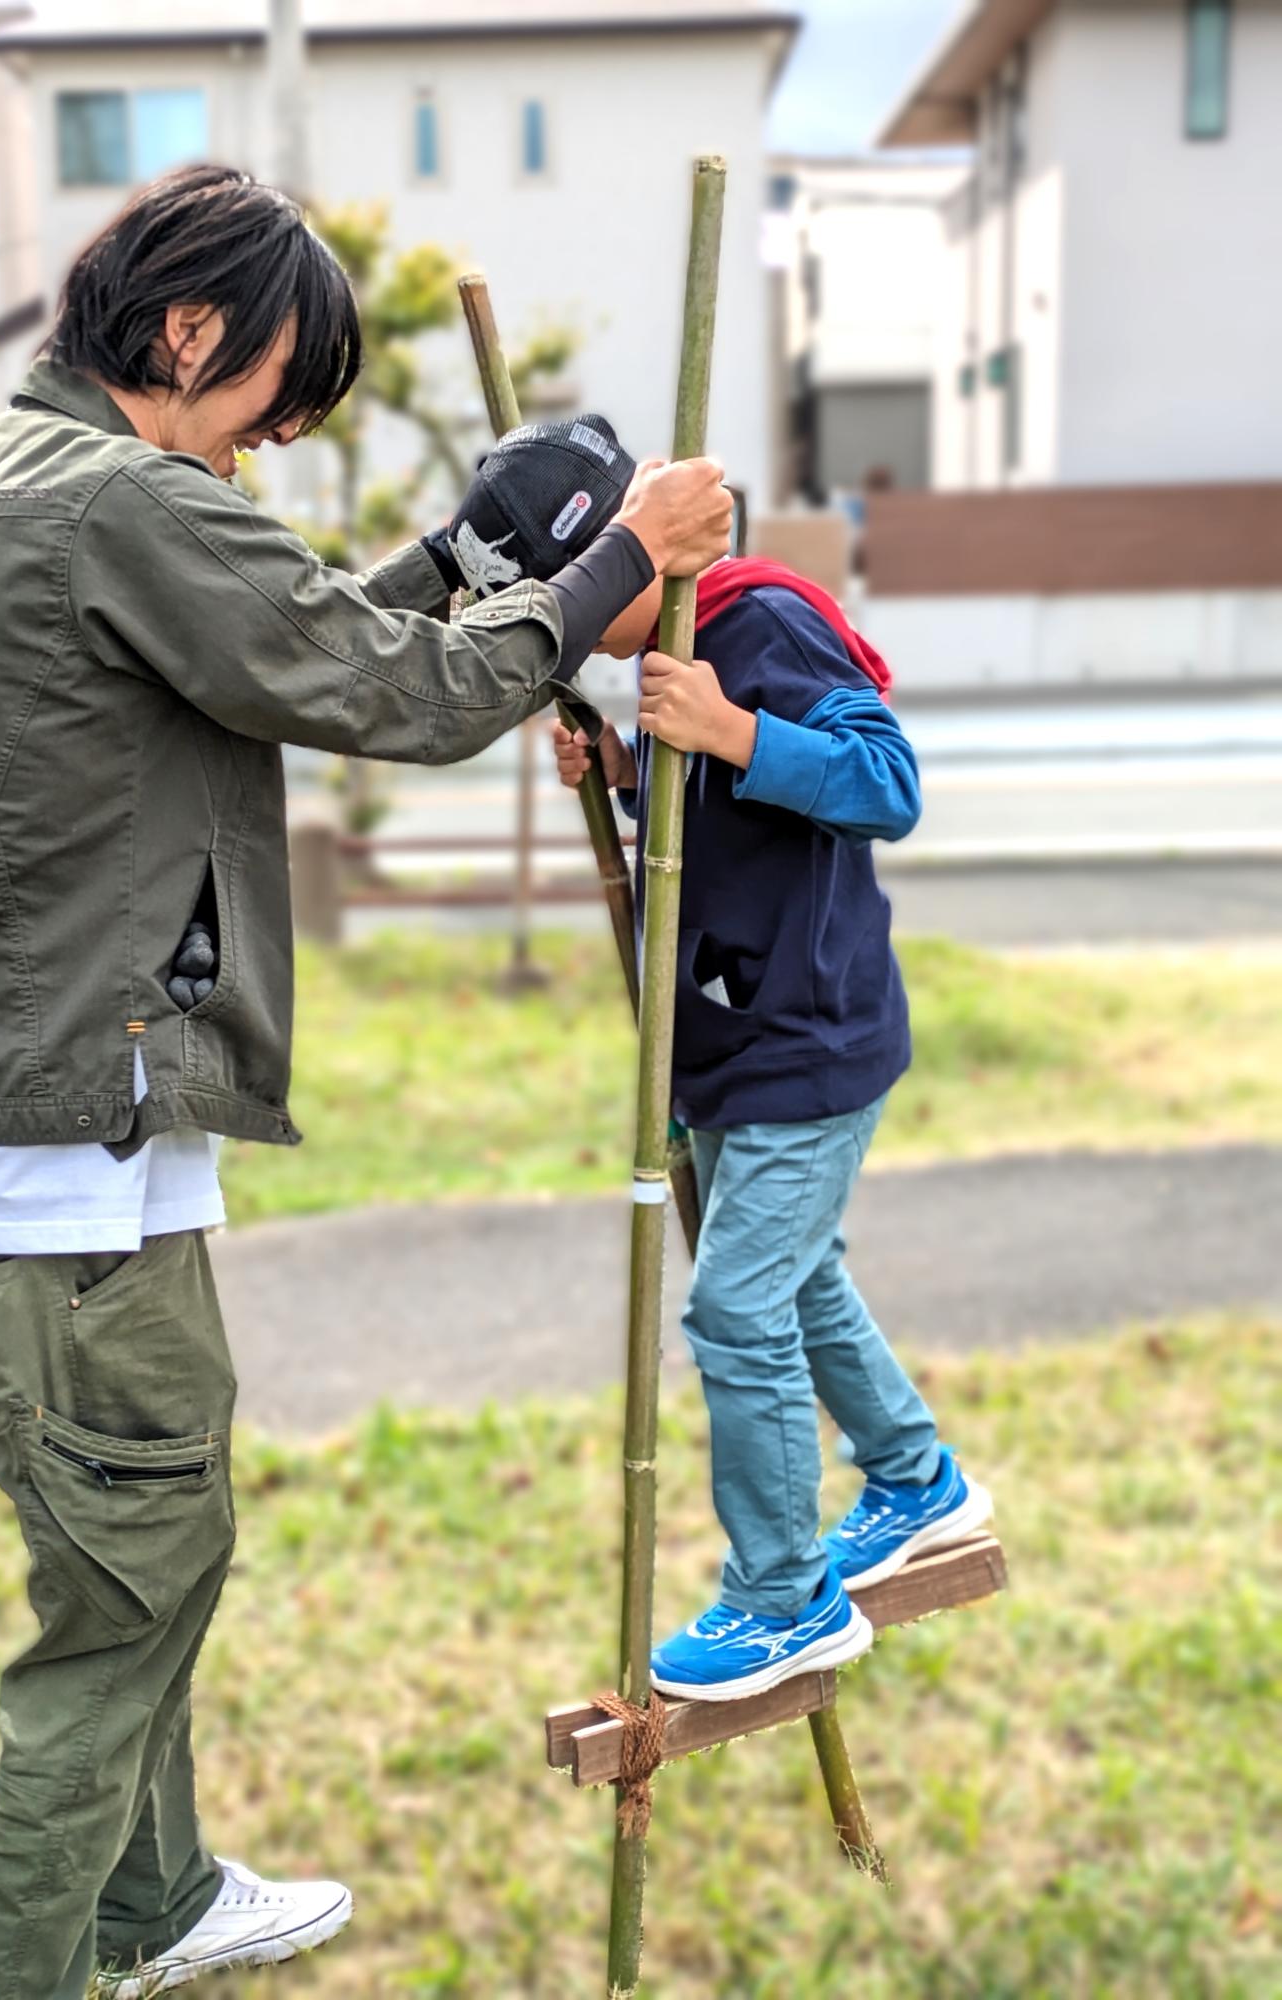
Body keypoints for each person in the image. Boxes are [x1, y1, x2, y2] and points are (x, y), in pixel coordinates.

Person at [0, 163, 730, 2000]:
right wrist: (620, 564)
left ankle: (161, 1900)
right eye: (280, 384)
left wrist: (460, 562)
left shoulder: (25, 488)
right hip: (64, 1176)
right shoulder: (121, 498)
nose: (282, 427)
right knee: (119, 1615)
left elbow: (287, 649)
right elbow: (401, 703)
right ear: (186, 330)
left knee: (145, 1565)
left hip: (47, 1154)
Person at [550, 486, 993, 1705]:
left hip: (804, 1042)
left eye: (585, 590)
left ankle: (781, 1592)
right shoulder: (668, 660)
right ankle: (915, 1478)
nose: (578, 624)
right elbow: (729, 838)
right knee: (796, 1279)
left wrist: (732, 729)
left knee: (736, 1310)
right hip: (729, 1046)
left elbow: (883, 783)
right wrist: (631, 770)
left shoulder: (764, 621)